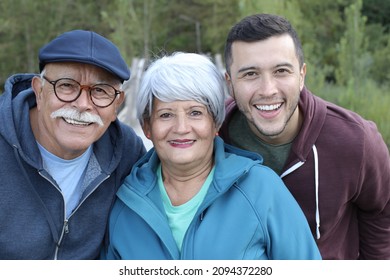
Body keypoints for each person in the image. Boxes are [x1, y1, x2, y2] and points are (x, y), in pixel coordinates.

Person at [102, 52, 321, 260]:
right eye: (166, 115)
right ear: (147, 127)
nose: (181, 128)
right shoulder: (126, 204)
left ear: (215, 123)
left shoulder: (261, 190)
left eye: (195, 113)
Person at [220, 13, 390, 259]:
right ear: (229, 83)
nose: (268, 90)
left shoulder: (355, 140)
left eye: (281, 71)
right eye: (250, 74)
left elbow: (382, 210)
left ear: (301, 75)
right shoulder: (211, 137)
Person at [0, 30, 146, 259]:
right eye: (67, 85)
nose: (82, 104)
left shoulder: (126, 151)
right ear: (39, 91)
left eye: (100, 90)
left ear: (117, 104)